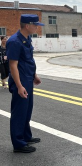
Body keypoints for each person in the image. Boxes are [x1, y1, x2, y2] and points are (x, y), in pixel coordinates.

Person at [7, 14, 44, 153]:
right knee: (19, 112)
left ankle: (26, 136)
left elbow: (28, 60)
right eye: (35, 25)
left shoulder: (27, 39)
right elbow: (13, 66)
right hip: (20, 81)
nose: (37, 27)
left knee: (27, 110)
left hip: (28, 78)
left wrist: (34, 75)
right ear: (27, 26)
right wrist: (19, 86)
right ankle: (18, 143)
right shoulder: (15, 41)